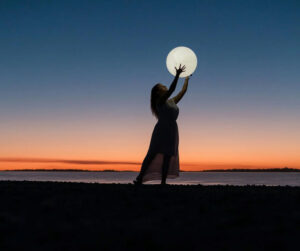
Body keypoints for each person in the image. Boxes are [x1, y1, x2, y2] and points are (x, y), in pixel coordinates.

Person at [133, 64, 190, 185]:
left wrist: (186, 79)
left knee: (168, 156)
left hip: (172, 129)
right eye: (162, 86)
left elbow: (182, 91)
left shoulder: (172, 101)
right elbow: (172, 89)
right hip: (162, 129)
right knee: (152, 154)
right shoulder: (160, 101)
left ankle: (163, 182)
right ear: (158, 91)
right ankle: (140, 178)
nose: (164, 86)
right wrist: (177, 75)